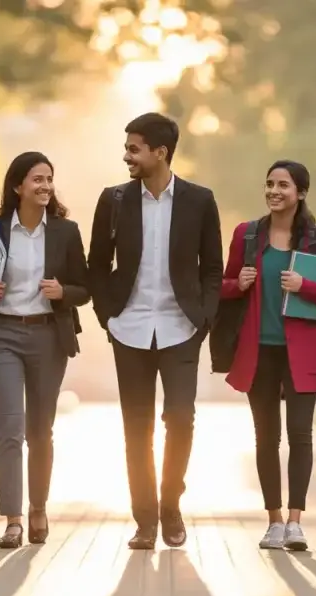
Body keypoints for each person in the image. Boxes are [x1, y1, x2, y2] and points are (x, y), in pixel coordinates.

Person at [87, 112, 224, 550]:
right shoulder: (113, 200)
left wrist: (203, 317)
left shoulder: (200, 200)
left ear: (159, 152)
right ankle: (145, 521)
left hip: (181, 328)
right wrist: (107, 315)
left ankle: (171, 505)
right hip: (128, 329)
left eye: (134, 148)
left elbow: (213, 268)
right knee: (136, 427)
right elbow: (97, 265)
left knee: (180, 419)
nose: (126, 155)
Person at [0, 151, 90, 548]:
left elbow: (86, 288)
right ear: (18, 186)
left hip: (49, 337)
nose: (45, 186)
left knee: (40, 431)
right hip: (2, 335)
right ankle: (13, 520)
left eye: (49, 178)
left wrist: (62, 292)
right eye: (37, 179)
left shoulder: (66, 231)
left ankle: (38, 508)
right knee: (10, 430)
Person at [220, 160, 316, 551]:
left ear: (301, 193)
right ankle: (273, 521)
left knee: (301, 435)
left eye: (283, 185)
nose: (274, 191)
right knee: (266, 437)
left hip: (302, 351)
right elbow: (221, 288)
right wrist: (236, 283)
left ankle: (295, 523)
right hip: (259, 351)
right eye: (270, 184)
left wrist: (305, 285)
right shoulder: (247, 235)